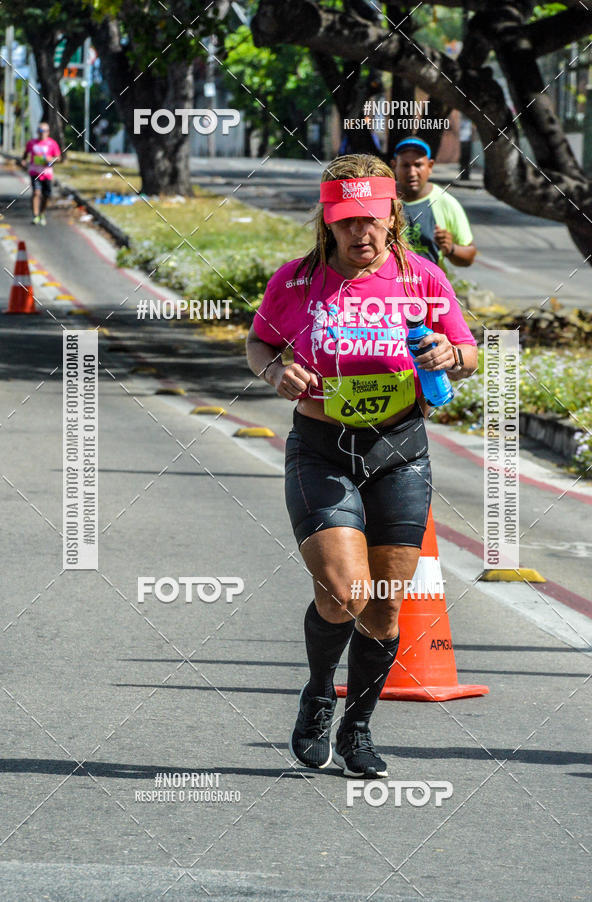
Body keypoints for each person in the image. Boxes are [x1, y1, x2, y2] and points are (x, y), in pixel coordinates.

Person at [246, 154, 478, 778]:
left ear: (392, 216)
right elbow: (259, 340)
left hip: (399, 450)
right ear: (327, 221)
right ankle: (320, 692)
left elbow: (468, 353)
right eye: (347, 221)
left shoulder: (422, 277)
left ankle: (358, 729)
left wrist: (449, 352)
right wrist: (274, 370)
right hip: (322, 448)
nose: (361, 234)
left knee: (384, 607)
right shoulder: (296, 282)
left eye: (371, 220)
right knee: (345, 592)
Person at [392, 137, 477, 268]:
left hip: (430, 288)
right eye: (405, 165)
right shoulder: (383, 199)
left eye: (418, 165)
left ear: (430, 166)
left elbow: (469, 256)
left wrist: (450, 248)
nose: (412, 172)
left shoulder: (446, 202)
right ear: (394, 166)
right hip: (390, 287)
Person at [21, 122, 61, 225]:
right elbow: (25, 154)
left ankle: (42, 213)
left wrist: (50, 159)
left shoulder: (52, 143)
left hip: (47, 173)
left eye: (44, 131)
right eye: (39, 131)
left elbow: (58, 158)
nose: (41, 133)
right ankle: (35, 215)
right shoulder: (31, 143)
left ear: (48, 132)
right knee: (36, 193)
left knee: (46, 195)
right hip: (34, 172)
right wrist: (24, 161)